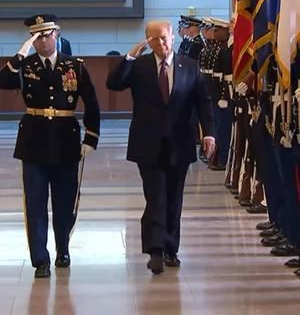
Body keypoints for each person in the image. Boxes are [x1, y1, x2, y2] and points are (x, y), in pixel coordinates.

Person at [106, 20, 215, 274]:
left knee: (174, 198)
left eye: (164, 38)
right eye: (155, 39)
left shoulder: (189, 66)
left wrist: (209, 133)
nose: (161, 43)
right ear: (148, 41)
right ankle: (155, 250)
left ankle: (170, 249)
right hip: (148, 142)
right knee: (155, 196)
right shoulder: (140, 66)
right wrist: (130, 56)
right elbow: (114, 83)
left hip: (180, 142)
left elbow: (203, 102)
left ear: (173, 38)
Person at [0, 14, 100, 278]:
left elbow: (91, 102)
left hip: (66, 140)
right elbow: (2, 81)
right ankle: (40, 259)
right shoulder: (26, 65)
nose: (42, 40)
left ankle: (63, 250)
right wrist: (19, 56)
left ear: (57, 34)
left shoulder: (74, 66)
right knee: (35, 202)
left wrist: (91, 137)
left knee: (64, 200)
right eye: (36, 36)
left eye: (47, 34)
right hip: (33, 141)